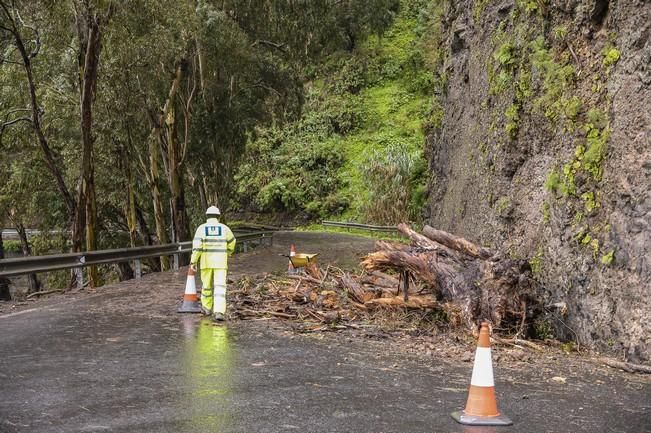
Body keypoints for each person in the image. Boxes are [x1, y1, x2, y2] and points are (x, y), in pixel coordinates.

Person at [190, 206, 236, 321]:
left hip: (206, 262)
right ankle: (219, 312)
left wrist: (193, 261)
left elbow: (197, 248)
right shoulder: (224, 228)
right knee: (220, 287)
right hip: (220, 263)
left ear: (207, 216)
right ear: (218, 216)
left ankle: (206, 308)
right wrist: (228, 252)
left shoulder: (201, 229)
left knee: (206, 286)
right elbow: (232, 242)